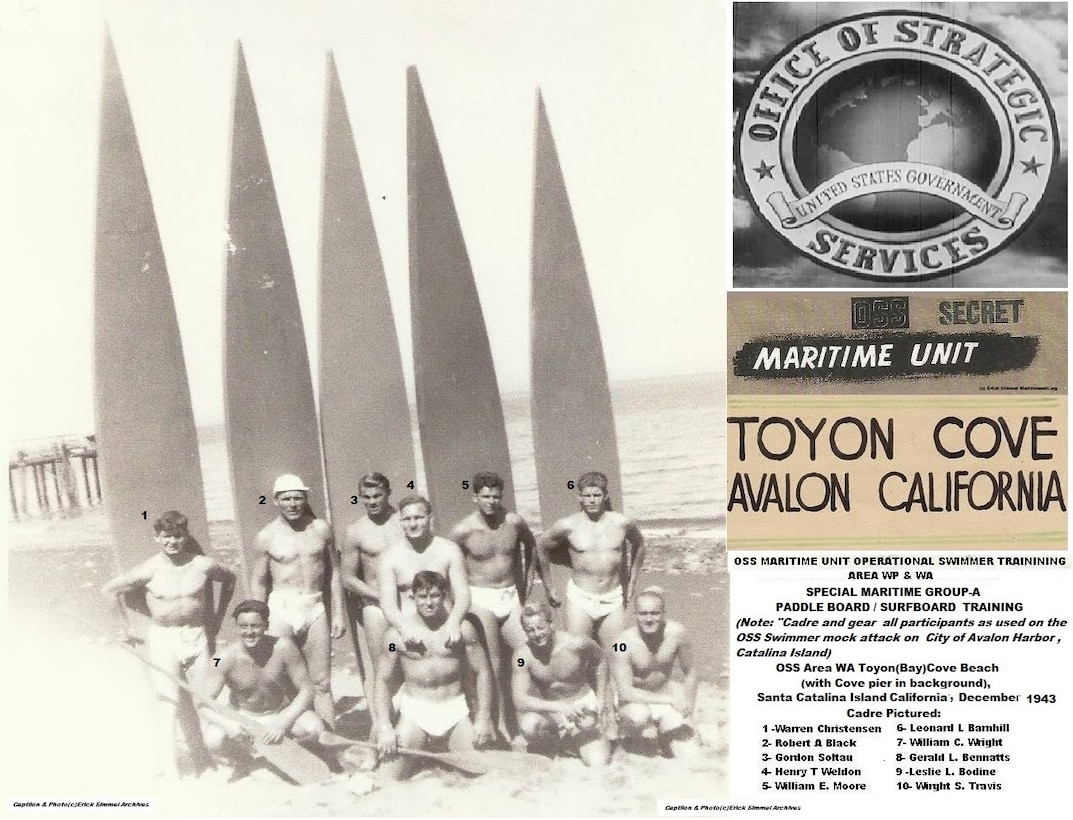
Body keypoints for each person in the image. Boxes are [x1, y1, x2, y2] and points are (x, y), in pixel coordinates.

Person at [101, 510, 236, 778]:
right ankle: (170, 767)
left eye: (177, 536)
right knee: (168, 704)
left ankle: (205, 760)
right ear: (157, 538)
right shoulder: (150, 569)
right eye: (166, 537)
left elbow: (230, 578)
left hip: (197, 637)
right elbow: (109, 590)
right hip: (164, 638)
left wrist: (219, 616)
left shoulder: (203, 565)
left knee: (205, 700)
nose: (172, 542)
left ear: (186, 536)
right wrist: (126, 628)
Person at [449, 471, 557, 744]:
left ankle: (542, 716)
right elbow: (447, 565)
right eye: (485, 497)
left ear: (501, 496)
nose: (491, 502)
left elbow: (532, 547)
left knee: (530, 653)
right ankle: (501, 727)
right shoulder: (463, 531)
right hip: (480, 599)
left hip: (510, 597)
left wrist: (529, 582)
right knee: (494, 665)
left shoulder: (513, 522)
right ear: (475, 497)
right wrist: (457, 603)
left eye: (496, 497)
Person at [373, 571, 494, 779]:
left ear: (444, 595)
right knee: (387, 779)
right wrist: (385, 726)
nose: (429, 603)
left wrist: (483, 718)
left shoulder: (464, 631)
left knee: (483, 776)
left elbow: (483, 672)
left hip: (454, 711)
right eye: (422, 596)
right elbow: (382, 680)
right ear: (412, 597)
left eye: (435, 596)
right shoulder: (395, 638)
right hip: (416, 713)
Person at [250, 474, 346, 729]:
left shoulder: (321, 529)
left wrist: (338, 613)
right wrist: (258, 620)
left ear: (305, 498)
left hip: (314, 607)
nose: (293, 504)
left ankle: (330, 740)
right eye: (286, 499)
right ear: (276, 501)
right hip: (280, 609)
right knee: (282, 680)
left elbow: (335, 573)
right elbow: (259, 582)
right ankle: (294, 733)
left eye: (298, 498)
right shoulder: (266, 536)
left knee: (322, 682)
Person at [536, 471, 645, 651]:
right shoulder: (568, 525)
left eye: (597, 495)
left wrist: (632, 581)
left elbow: (639, 544)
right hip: (580, 599)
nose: (592, 500)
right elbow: (541, 547)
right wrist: (549, 587)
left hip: (613, 598)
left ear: (605, 496)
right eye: (587, 496)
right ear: (579, 497)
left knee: (617, 651)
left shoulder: (622, 523)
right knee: (577, 651)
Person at [200, 599, 324, 752]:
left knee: (315, 729)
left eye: (255, 626)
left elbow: (307, 690)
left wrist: (282, 723)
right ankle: (243, 756)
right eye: (243, 626)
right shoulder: (219, 658)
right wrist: (228, 725)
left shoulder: (285, 647)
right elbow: (202, 702)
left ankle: (286, 751)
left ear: (266, 625)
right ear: (236, 627)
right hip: (241, 715)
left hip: (279, 712)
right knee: (212, 741)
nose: (249, 632)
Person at [512, 602, 611, 767]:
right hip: (553, 711)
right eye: (530, 630)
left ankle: (573, 741)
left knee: (597, 763)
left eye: (540, 627)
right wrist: (560, 707)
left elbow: (601, 660)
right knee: (529, 725)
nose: (537, 634)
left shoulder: (576, 644)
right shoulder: (522, 657)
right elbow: (519, 699)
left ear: (551, 624)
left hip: (582, 707)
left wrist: (601, 698)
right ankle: (556, 743)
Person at [339, 472, 403, 725]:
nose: (372, 501)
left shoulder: (404, 522)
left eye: (377, 496)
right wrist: (380, 596)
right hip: (376, 608)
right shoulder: (356, 531)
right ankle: (382, 725)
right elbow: (347, 578)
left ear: (388, 494)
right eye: (366, 497)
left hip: (408, 604)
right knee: (382, 668)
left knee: (414, 662)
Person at [613, 587, 699, 757]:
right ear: (635, 615)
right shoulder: (620, 643)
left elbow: (691, 671)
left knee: (689, 755)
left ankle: (663, 734)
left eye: (654, 613)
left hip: (664, 697)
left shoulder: (678, 633)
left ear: (663, 614)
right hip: (633, 703)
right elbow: (625, 692)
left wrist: (689, 707)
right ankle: (628, 737)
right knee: (639, 716)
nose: (649, 619)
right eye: (643, 614)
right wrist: (669, 700)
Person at [377, 495, 470, 650]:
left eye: (418, 518)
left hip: (445, 627)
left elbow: (463, 595)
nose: (413, 524)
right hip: (410, 631)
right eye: (407, 519)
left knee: (469, 634)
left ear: (430, 518)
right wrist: (404, 628)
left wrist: (454, 622)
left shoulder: (449, 550)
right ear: (400, 521)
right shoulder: (389, 558)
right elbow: (388, 605)